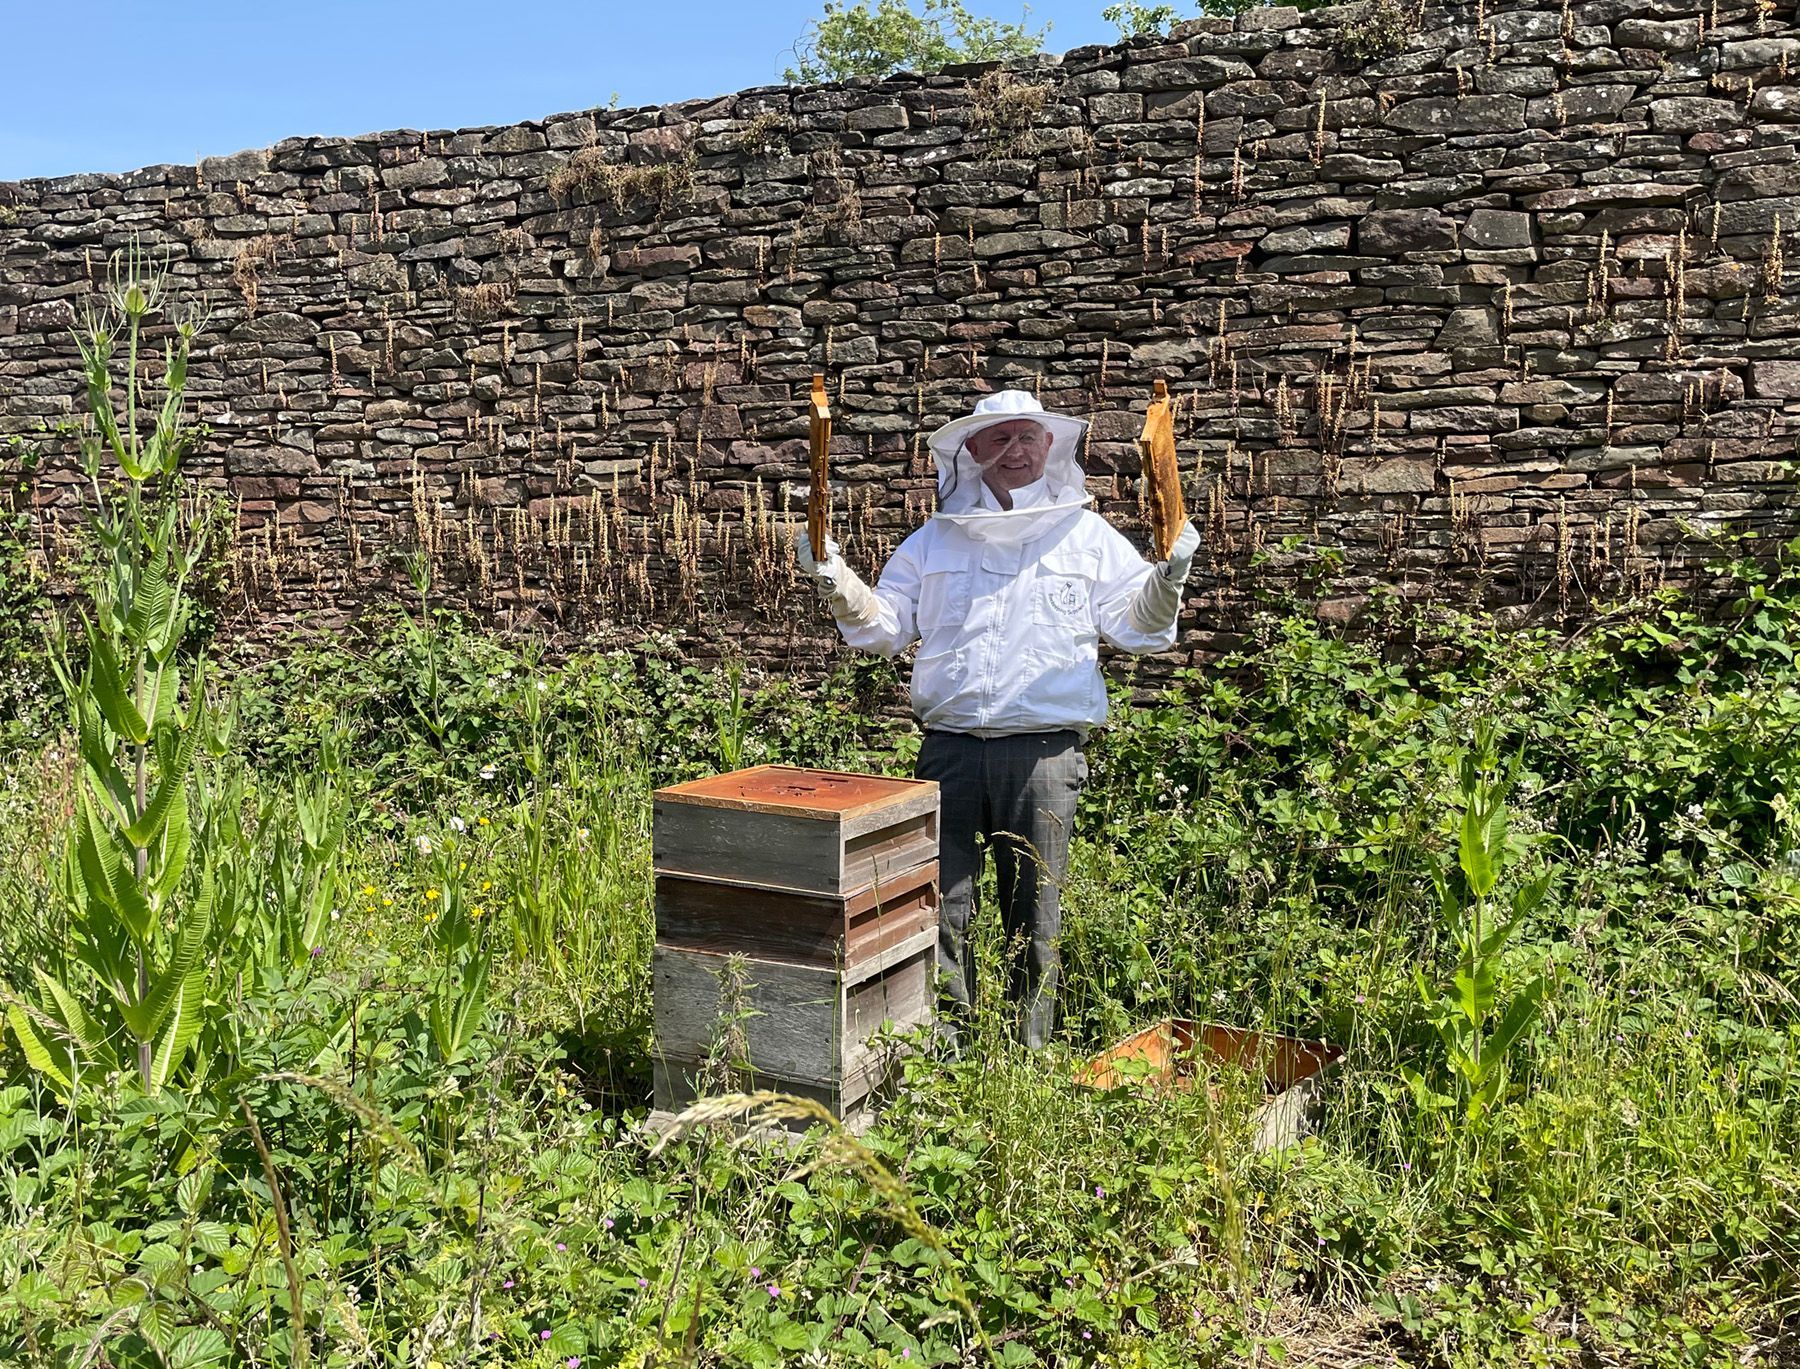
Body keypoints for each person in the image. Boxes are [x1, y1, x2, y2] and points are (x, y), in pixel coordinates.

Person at [796, 389, 1200, 1049]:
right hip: (948, 752)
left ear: (1050, 447)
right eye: (999, 439)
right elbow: (887, 627)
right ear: (973, 452)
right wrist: (834, 578)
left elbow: (1138, 626)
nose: (1015, 452)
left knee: (1033, 916)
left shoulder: (1086, 537)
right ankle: (947, 1059)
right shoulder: (935, 540)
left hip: (1043, 757)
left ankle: (1026, 1060)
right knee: (937, 909)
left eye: (1027, 438)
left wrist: (1169, 575)